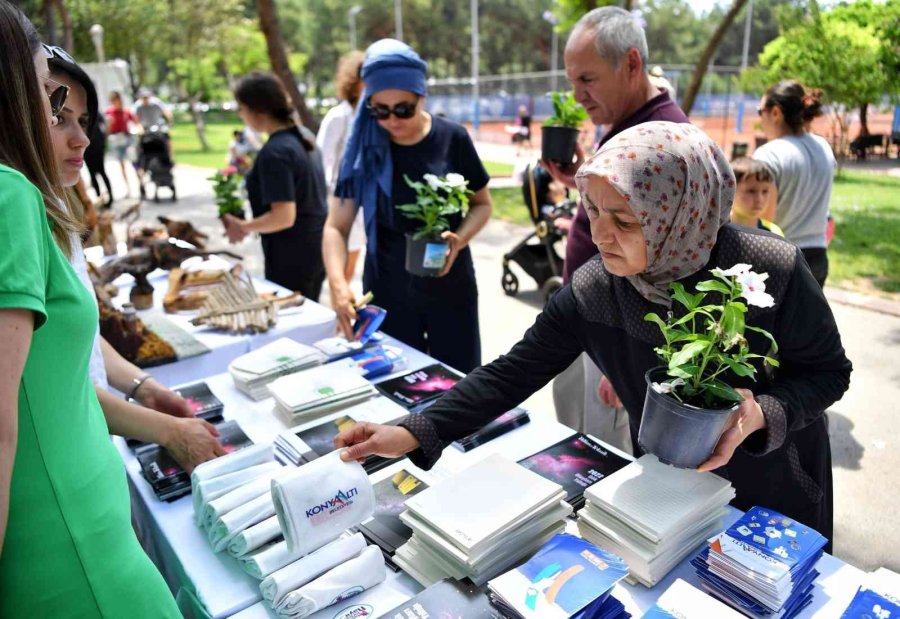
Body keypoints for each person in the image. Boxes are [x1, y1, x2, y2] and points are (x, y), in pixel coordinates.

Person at [334, 121, 852, 545]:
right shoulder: (600, 287)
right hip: (666, 489)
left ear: (680, 217)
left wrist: (763, 412)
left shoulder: (769, 269)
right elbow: (512, 372)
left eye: (625, 221)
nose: (600, 235)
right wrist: (415, 430)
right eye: (594, 212)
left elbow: (829, 372)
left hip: (774, 489)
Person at [0, 4, 180, 615]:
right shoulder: (7, 194)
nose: (78, 136)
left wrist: (148, 395)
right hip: (69, 552)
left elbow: (49, 382)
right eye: (47, 103)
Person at [46, 44, 225, 472]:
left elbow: (78, 334)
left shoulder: (54, 207)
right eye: (58, 117)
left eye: (84, 121)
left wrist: (142, 386)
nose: (82, 139)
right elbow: (50, 388)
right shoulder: (16, 214)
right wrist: (166, 430)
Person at [545, 6, 690, 453]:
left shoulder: (658, 137)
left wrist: (620, 353)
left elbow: (675, 261)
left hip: (617, 334)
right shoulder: (627, 126)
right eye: (572, 82)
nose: (578, 96)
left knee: (605, 458)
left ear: (630, 64)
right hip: (596, 323)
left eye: (587, 80)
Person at [323, 39, 493, 373]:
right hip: (388, 293)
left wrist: (460, 238)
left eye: (403, 108)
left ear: (421, 97)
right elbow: (335, 227)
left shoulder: (452, 138)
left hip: (451, 289)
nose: (391, 119)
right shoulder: (364, 150)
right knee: (397, 386)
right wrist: (338, 286)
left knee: (459, 387)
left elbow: (482, 205)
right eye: (379, 110)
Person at [223, 72, 328, 300]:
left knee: (294, 323)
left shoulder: (276, 152)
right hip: (314, 248)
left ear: (257, 110)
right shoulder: (303, 136)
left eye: (241, 108)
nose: (240, 115)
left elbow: (283, 217)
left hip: (293, 255)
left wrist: (243, 226)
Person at [752, 81, 834, 288]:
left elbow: (763, 217)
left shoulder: (768, 154)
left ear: (776, 112)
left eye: (760, 111)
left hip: (781, 258)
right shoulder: (823, 146)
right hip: (818, 256)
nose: (760, 119)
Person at [316, 50, 366, 284]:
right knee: (342, 270)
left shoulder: (375, 116)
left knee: (352, 266)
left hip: (366, 203)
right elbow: (321, 158)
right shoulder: (338, 117)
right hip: (342, 200)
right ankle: (340, 316)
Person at [729, 157, 784, 236]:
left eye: (765, 191)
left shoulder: (773, 232)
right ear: (731, 191)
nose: (759, 199)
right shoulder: (716, 229)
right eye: (751, 191)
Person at [105, 90, 138, 197]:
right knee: (122, 165)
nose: (115, 103)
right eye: (113, 101)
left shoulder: (126, 111)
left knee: (134, 163)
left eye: (117, 100)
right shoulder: (109, 112)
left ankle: (140, 184)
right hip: (116, 141)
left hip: (127, 139)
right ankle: (128, 189)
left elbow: (136, 122)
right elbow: (107, 130)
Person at [84, 113, 113, 205]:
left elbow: (106, 123)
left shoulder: (94, 111)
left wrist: (104, 139)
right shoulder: (93, 112)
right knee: (94, 174)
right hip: (90, 147)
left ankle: (108, 197)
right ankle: (100, 197)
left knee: (100, 172)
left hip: (96, 146)